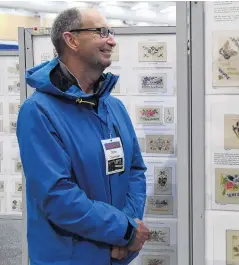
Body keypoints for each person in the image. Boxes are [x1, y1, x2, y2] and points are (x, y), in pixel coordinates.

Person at [16, 7, 150, 265]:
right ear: (71, 40)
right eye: (101, 32)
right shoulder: (39, 112)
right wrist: (123, 231)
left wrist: (126, 230)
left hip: (116, 255)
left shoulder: (114, 107)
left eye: (110, 32)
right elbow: (57, 196)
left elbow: (134, 170)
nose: (111, 40)